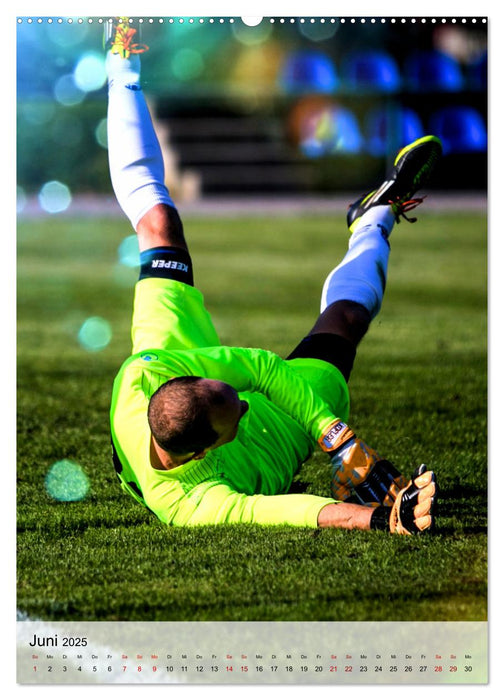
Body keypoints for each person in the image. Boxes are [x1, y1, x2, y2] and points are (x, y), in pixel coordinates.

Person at [106, 18, 440, 535]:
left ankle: (120, 57)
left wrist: (341, 441)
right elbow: (287, 510)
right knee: (345, 321)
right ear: (208, 448)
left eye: (227, 390)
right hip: (266, 442)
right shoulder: (189, 504)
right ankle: (374, 218)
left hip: (171, 369)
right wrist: (380, 518)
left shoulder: (142, 378)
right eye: (233, 409)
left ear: (184, 379)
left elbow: (258, 370)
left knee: (159, 224)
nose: (244, 398)